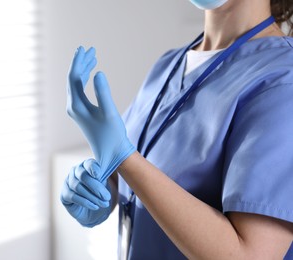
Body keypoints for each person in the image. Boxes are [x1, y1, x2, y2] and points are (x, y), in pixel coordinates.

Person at [61, 0, 293, 259]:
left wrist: (125, 159)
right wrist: (97, 188)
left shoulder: (283, 80)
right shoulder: (169, 64)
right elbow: (131, 167)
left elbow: (250, 254)